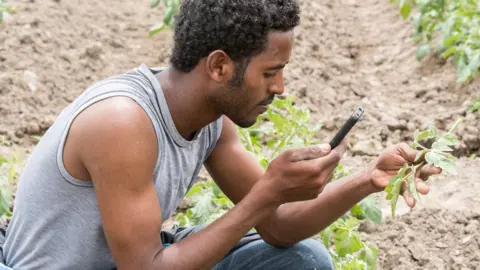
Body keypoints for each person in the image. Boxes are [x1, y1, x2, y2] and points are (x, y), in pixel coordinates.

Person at [0, 0, 442, 269]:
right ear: (218, 66)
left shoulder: (212, 120)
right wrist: (265, 194)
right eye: (271, 72)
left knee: (304, 261)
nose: (281, 89)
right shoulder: (123, 122)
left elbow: (278, 227)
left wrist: (367, 179)